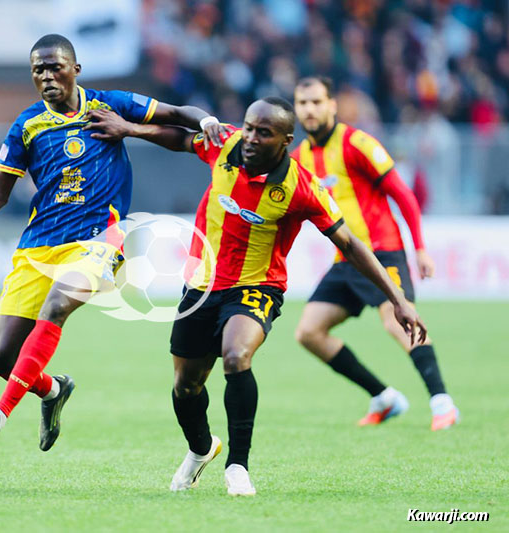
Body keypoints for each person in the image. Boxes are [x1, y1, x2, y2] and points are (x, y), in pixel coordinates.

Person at [81, 97, 425, 496]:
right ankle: (200, 450)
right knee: (185, 387)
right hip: (201, 285)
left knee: (235, 355)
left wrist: (398, 299)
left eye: (264, 132)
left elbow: (350, 244)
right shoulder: (224, 144)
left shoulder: (302, 187)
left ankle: (238, 467)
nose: (250, 137)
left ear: (285, 141)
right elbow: (181, 139)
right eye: (248, 127)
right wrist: (130, 129)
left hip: (256, 287)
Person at [0, 34, 229, 451]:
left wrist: (206, 121)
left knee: (59, 303)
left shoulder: (110, 104)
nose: (47, 75)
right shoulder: (27, 126)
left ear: (75, 69)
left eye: (55, 67)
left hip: (98, 240)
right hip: (38, 245)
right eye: (38, 70)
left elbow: (177, 114)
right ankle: (52, 390)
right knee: (0, 356)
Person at [291, 76, 458, 431]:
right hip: (345, 260)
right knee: (308, 332)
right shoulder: (299, 159)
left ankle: (442, 401)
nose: (309, 109)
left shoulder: (357, 143)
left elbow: (403, 194)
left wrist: (421, 249)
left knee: (396, 322)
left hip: (383, 253)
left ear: (332, 105)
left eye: (317, 102)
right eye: (302, 103)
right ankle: (385, 397)